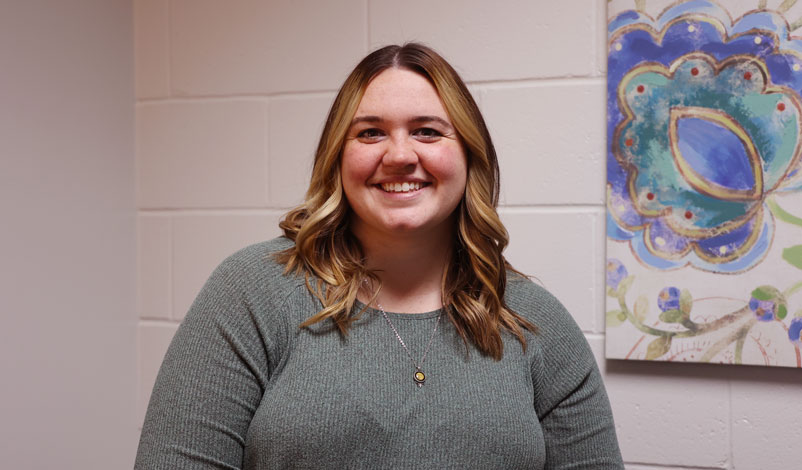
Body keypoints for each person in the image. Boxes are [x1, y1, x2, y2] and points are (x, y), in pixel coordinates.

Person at [135, 43, 624, 469]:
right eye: (370, 133)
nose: (399, 155)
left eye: (428, 131)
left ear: (469, 155)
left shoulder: (535, 322)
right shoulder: (250, 292)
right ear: (337, 156)